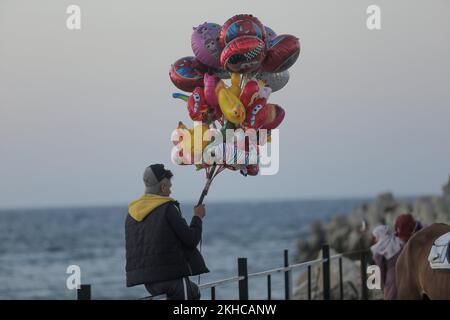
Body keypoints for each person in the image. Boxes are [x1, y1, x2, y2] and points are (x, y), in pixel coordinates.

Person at [125, 164, 209, 300]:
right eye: (169, 187)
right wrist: (197, 217)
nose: (170, 192)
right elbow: (191, 239)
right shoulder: (167, 208)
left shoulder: (131, 213)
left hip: (150, 283)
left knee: (194, 291)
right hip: (172, 279)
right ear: (163, 187)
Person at [370, 225, 404, 300]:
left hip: (392, 280)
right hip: (405, 276)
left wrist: (383, 285)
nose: (375, 240)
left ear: (380, 235)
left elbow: (380, 271)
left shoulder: (377, 251)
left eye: (376, 237)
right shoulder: (399, 243)